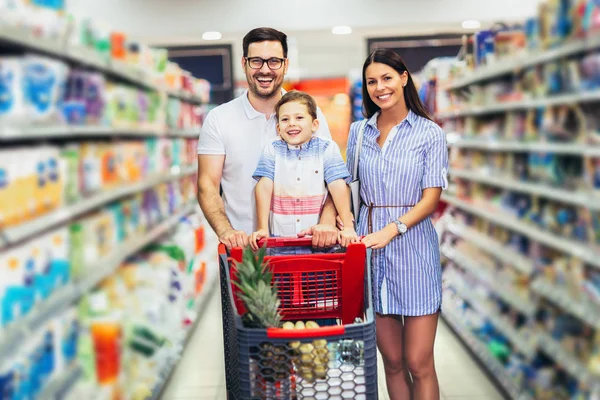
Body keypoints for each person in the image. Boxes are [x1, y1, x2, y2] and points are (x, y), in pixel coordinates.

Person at [343, 49, 448, 400]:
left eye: (387, 78)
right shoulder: (358, 133)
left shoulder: (429, 133)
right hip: (372, 251)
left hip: (414, 249)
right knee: (391, 359)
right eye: (371, 81)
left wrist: (394, 228)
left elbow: (431, 199)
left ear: (404, 78)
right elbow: (346, 189)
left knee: (419, 361)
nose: (379, 87)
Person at [197, 27, 339, 250]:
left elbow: (333, 177)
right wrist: (226, 231)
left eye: (274, 61)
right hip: (244, 255)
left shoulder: (310, 114)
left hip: (306, 248)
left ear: (286, 64)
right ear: (244, 63)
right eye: (256, 61)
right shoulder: (219, 119)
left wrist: (327, 223)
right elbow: (207, 184)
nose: (265, 70)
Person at [249, 91, 359, 251]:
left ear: (315, 124)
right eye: (285, 119)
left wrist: (348, 226)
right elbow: (264, 185)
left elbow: (338, 185)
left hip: (319, 243)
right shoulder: (272, 149)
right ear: (278, 128)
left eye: (299, 118)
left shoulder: (326, 148)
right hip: (281, 243)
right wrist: (262, 228)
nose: (292, 123)